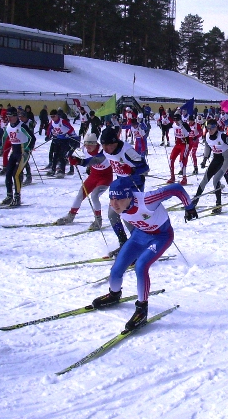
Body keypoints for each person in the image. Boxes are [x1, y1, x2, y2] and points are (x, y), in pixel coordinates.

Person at [90, 177, 193, 331]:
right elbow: (117, 222)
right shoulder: (115, 207)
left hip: (161, 236)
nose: (114, 203)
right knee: (117, 269)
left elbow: (176, 188)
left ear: (129, 196)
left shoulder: (147, 200)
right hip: (140, 235)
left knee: (141, 266)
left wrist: (189, 207)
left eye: (118, 199)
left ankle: (142, 309)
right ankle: (114, 294)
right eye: (111, 198)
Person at [98, 127, 150, 255]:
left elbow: (145, 167)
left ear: (114, 142)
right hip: (121, 185)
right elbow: (96, 159)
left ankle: (138, 245)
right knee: (112, 214)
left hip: (134, 183)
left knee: (128, 215)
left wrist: (131, 170)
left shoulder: (127, 151)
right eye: (103, 145)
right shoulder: (106, 150)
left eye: (107, 145)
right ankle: (124, 243)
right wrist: (80, 161)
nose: (104, 149)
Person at [61, 133, 111, 229]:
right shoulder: (83, 149)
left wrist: (79, 162)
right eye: (86, 144)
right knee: (80, 195)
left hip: (105, 177)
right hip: (93, 176)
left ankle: (98, 220)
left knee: (94, 196)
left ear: (95, 144)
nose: (88, 147)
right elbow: (72, 155)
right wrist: (71, 157)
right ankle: (70, 216)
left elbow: (94, 160)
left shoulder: (103, 151)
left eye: (90, 145)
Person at [189, 118, 228, 214]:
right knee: (204, 180)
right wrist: (204, 159)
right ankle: (195, 201)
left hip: (225, 159)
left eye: (212, 128)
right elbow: (207, 147)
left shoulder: (223, 136)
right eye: (208, 128)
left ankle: (218, 205)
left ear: (216, 127)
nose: (209, 130)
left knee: (216, 179)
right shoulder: (207, 136)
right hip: (216, 159)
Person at [167, 113, 191, 185]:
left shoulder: (184, 124)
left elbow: (189, 130)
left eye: (177, 120)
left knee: (181, 161)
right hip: (177, 144)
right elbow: (167, 126)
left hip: (185, 144)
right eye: (175, 120)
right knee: (171, 159)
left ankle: (184, 178)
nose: (176, 121)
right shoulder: (174, 124)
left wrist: (183, 126)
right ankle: (172, 177)